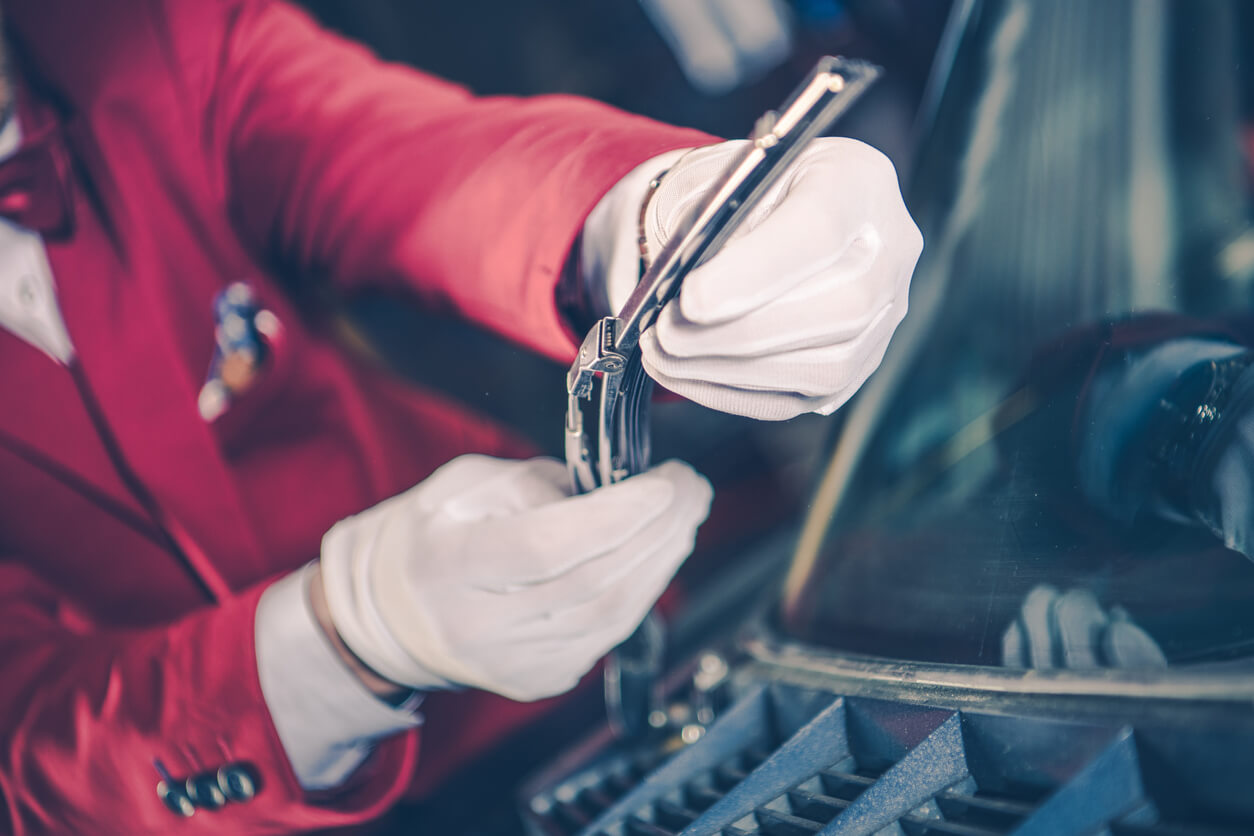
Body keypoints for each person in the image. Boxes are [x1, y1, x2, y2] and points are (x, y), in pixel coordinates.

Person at [0, 0, 921, 832]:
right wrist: (349, 634)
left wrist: (651, 224)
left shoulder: (135, 30)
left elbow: (401, 154)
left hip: (591, 647)